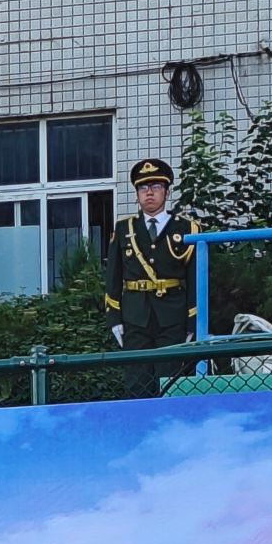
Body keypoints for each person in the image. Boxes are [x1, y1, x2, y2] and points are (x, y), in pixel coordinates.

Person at [105, 157, 200, 397]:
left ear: (167, 192)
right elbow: (113, 277)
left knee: (171, 382)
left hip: (173, 316)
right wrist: (114, 318)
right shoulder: (124, 229)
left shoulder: (187, 229)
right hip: (135, 317)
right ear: (137, 194)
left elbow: (195, 279)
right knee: (137, 383)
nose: (149, 193)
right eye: (143, 188)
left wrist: (193, 322)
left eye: (156, 186)